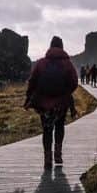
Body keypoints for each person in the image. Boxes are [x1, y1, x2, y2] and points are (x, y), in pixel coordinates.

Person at [24, 36, 79, 169]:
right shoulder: (67, 63)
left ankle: (47, 159)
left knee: (47, 130)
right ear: (62, 47)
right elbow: (74, 82)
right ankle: (58, 155)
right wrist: (66, 93)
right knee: (60, 126)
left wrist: (29, 96)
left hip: (43, 103)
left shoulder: (42, 63)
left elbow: (32, 81)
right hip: (61, 103)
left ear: (50, 46)